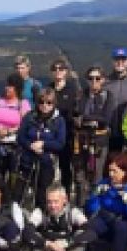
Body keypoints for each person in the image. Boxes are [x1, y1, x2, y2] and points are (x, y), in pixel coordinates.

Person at [16, 89, 66, 210]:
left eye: (49, 103)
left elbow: (60, 143)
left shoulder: (59, 120)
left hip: (46, 162)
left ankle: (41, 220)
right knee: (18, 193)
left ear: (54, 104)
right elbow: (20, 137)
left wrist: (43, 144)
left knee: (42, 194)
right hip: (27, 160)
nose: (45, 105)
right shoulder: (29, 117)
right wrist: (30, 145)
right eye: (41, 102)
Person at [0, 73, 31, 178]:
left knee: (13, 174)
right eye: (7, 85)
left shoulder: (22, 104)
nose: (7, 88)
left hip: (13, 145)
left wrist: (9, 131)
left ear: (17, 88)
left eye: (11, 86)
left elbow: (26, 124)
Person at [77, 65, 113, 184]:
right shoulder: (81, 95)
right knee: (80, 175)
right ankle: (80, 201)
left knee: (98, 175)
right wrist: (96, 119)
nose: (94, 81)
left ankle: (96, 201)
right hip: (82, 140)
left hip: (100, 141)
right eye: (91, 78)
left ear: (103, 79)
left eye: (97, 78)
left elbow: (106, 119)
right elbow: (76, 113)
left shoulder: (108, 96)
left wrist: (85, 118)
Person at [49, 59, 80, 195]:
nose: (58, 71)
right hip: (50, 134)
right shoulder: (49, 89)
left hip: (68, 135)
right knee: (50, 168)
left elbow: (76, 111)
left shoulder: (72, 90)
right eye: (55, 69)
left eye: (61, 69)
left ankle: (66, 196)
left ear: (66, 72)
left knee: (65, 167)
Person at [105, 47, 127, 153]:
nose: (120, 62)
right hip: (109, 134)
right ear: (112, 62)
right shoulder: (105, 82)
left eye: (123, 60)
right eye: (117, 59)